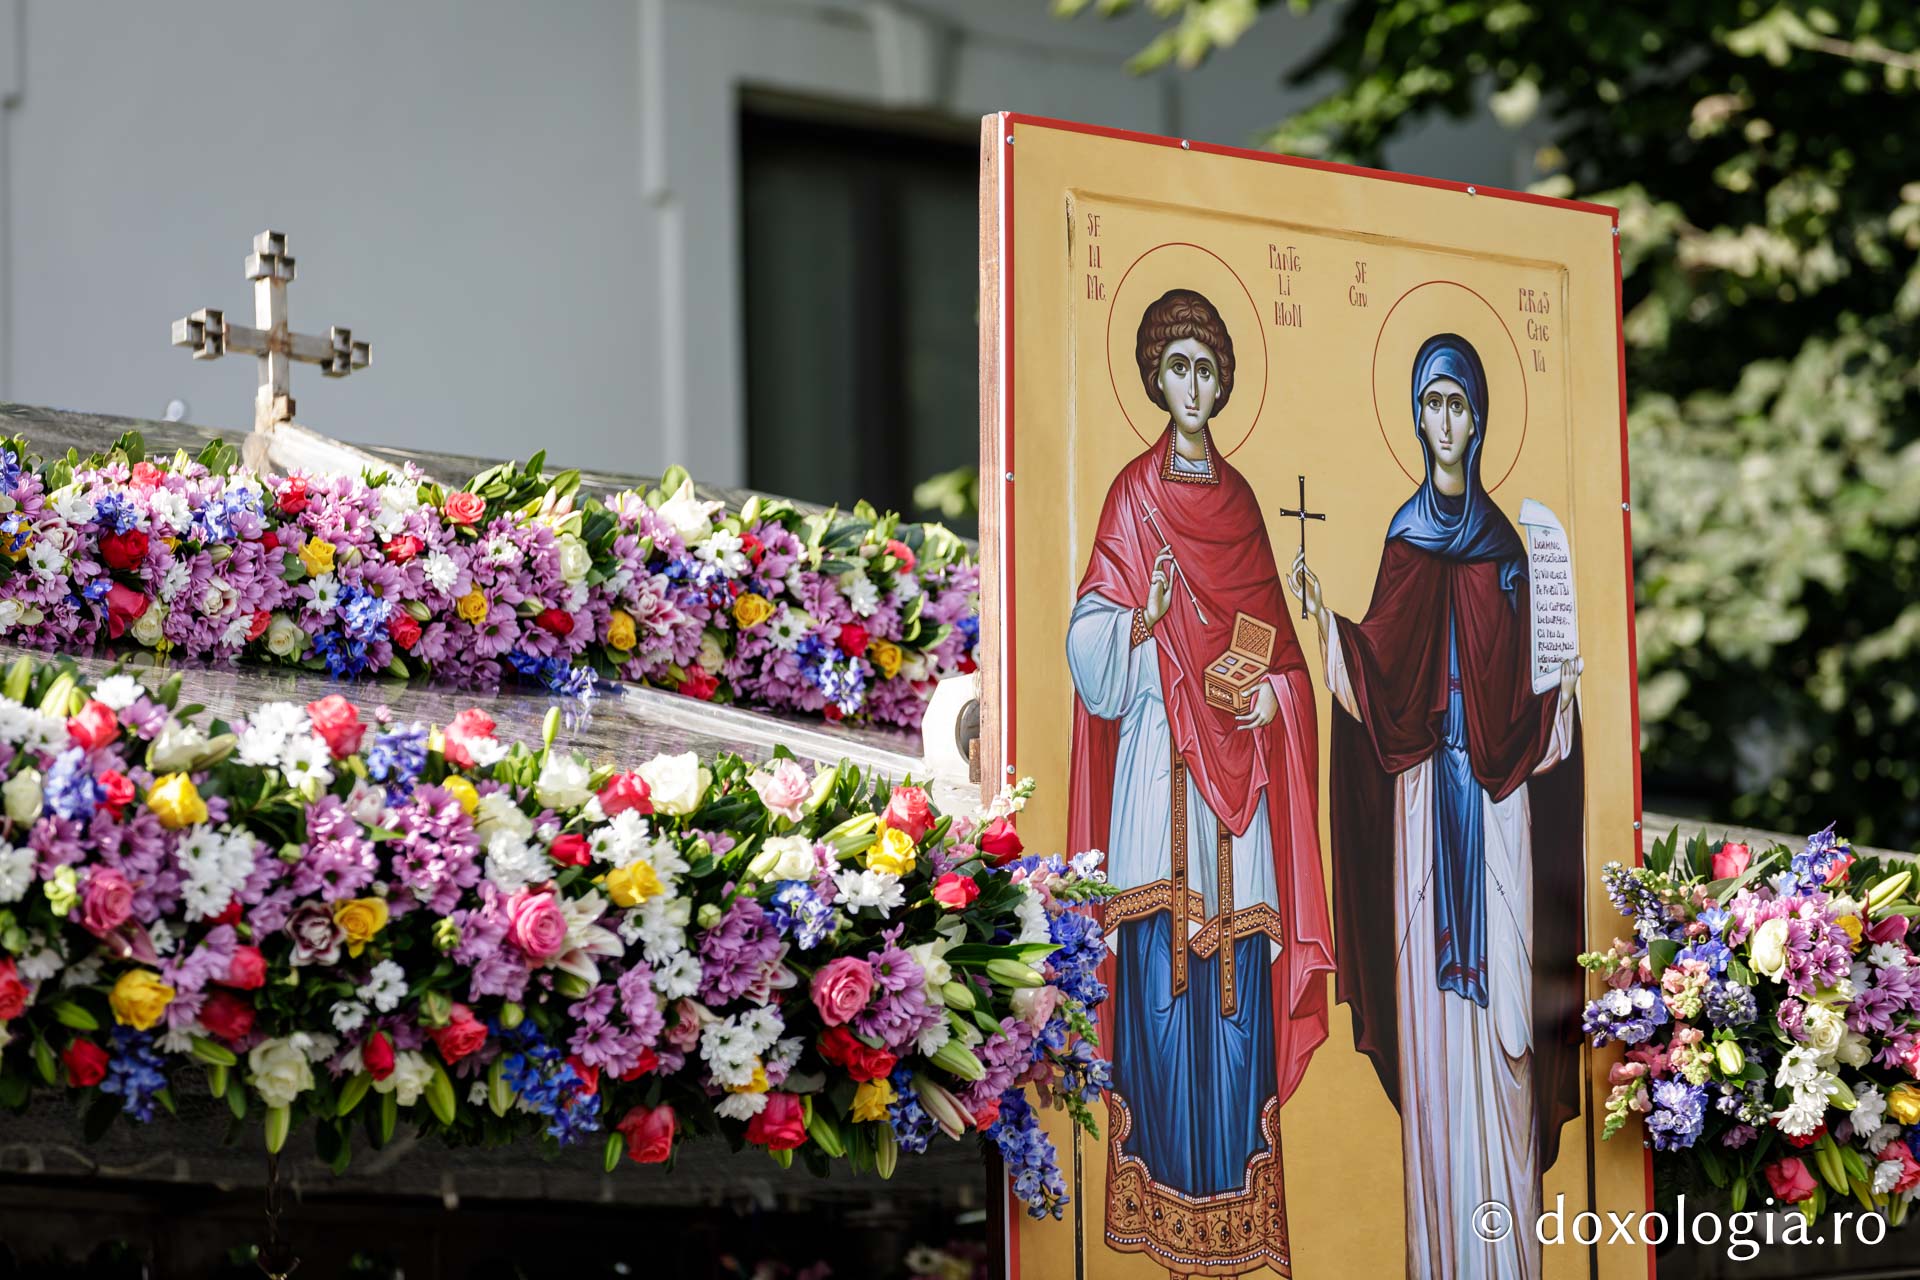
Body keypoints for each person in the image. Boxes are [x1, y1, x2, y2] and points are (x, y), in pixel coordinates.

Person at [1288, 332, 1585, 1280]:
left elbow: (1544, 719)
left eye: (1459, 404)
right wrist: (1327, 626)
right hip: (1423, 815)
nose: (1446, 421)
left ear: (1481, 418)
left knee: (1504, 1039)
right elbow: (1377, 675)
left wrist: (1564, 690)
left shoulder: (1512, 552)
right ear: (1418, 419)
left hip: (1498, 818)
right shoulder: (1406, 544)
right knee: (1430, 1036)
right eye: (1432, 405)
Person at [1068, 287, 1333, 1278]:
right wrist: (1144, 619)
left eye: (1205, 367)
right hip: (1156, 776)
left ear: (1222, 381)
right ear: (1154, 378)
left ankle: (1239, 1210)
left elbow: (1289, 664)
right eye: (1174, 366)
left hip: (1244, 800)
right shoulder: (1132, 498)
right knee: (1157, 993)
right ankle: (1162, 1212)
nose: (1190, 385)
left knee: (1236, 1003)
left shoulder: (1241, 504)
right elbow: (1088, 650)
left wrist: (1273, 701)